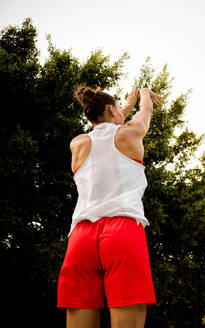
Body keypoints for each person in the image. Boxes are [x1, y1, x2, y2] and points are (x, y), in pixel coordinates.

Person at [57, 85, 163, 328]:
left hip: (81, 238)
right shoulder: (129, 133)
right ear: (112, 110)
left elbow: (107, 127)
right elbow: (144, 115)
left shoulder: (78, 143)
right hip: (122, 232)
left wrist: (120, 106)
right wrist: (144, 95)